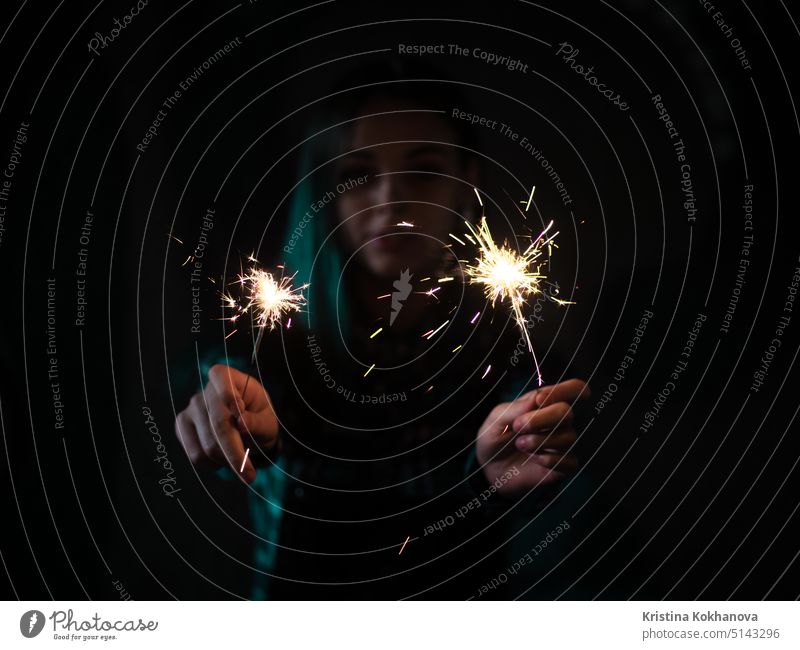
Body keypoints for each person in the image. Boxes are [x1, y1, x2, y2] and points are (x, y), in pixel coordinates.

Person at [174, 59, 591, 599]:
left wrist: (501, 480)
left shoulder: (522, 373)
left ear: (467, 180)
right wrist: (226, 422)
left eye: (422, 170)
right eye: (357, 173)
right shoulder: (260, 359)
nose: (392, 201)